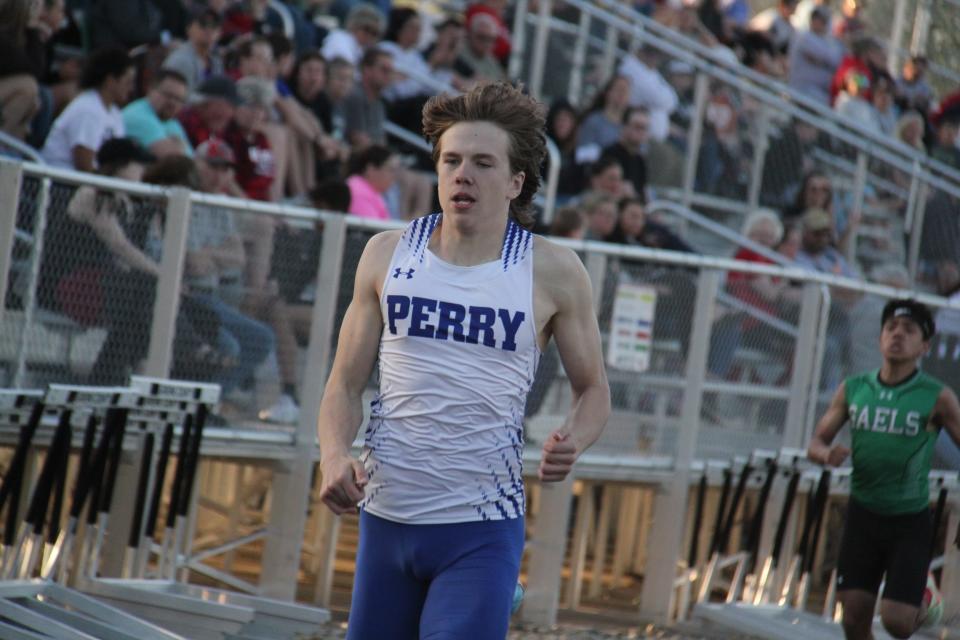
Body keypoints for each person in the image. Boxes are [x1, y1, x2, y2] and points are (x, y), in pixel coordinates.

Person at [317, 82, 610, 639]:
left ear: (515, 182)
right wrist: (333, 455)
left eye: (482, 162)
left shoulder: (551, 270)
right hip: (386, 519)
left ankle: (497, 589)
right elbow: (344, 383)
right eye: (451, 160)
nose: (462, 174)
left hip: (479, 529)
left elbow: (593, 388)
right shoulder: (386, 253)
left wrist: (573, 438)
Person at [807, 298, 960, 638]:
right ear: (880, 338)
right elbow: (816, 443)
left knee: (896, 621)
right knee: (853, 618)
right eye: (891, 328)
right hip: (863, 514)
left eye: (908, 330)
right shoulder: (854, 388)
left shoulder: (936, 396)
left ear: (924, 346)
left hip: (909, 519)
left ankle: (923, 599)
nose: (897, 335)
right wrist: (825, 454)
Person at [41, 47, 134, 170]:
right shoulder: (87, 109)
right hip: (61, 183)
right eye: (127, 82)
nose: (131, 88)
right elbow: (84, 166)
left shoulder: (115, 113)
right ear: (110, 81)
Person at [122, 69, 192, 158]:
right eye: (168, 95)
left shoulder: (171, 121)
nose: (173, 103)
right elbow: (173, 159)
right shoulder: (138, 116)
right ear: (150, 89)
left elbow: (190, 159)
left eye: (178, 99)